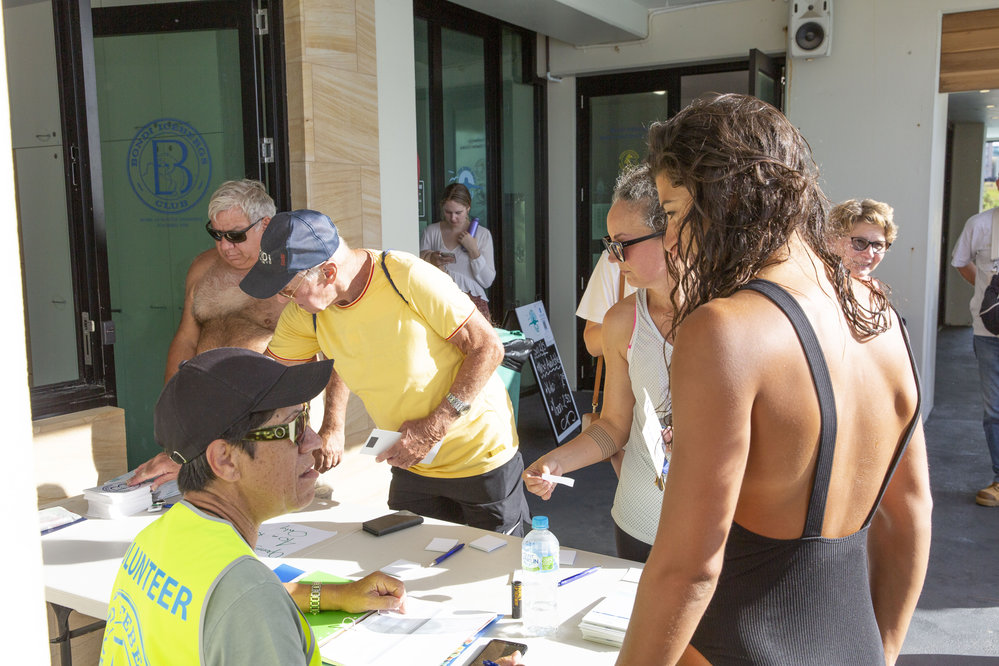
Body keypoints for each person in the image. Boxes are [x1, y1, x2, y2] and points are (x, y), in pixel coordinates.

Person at [618, 94, 931, 665]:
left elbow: (687, 568)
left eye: (671, 211)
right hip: (853, 644)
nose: (668, 239)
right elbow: (909, 514)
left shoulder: (725, 329)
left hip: (730, 647)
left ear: (724, 198)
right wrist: (881, 653)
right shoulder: (879, 314)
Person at [99, 348, 406, 665]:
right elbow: (247, 600)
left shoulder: (153, 540)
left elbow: (233, 601)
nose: (313, 441)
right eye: (294, 426)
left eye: (306, 417)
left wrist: (337, 595)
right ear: (225, 460)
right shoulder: (249, 597)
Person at [240, 209, 531, 535]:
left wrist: (433, 428)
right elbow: (265, 384)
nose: (283, 300)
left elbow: (488, 348)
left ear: (328, 272)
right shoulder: (306, 315)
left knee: (498, 575)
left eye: (289, 289)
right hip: (411, 462)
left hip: (481, 459)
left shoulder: (406, 277)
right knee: (407, 568)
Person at [523, 164, 675, 563]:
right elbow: (613, 425)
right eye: (609, 244)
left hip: (719, 530)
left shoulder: (730, 315)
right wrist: (557, 460)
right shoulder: (622, 319)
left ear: (671, 233)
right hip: (638, 520)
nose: (612, 259)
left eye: (622, 244)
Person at [951, 173, 999, 507]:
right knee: (994, 410)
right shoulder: (980, 225)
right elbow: (960, 262)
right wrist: (987, 296)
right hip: (989, 333)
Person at [420, 183, 495, 319]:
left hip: (472, 304)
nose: (453, 218)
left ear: (468, 208)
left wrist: (473, 250)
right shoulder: (431, 231)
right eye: (448, 212)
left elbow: (487, 281)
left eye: (458, 213)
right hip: (439, 299)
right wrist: (432, 259)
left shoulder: (483, 235)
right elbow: (418, 270)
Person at [830, 198, 897, 281]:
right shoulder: (814, 281)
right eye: (860, 242)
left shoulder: (872, 288)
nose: (870, 254)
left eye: (878, 245)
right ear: (832, 240)